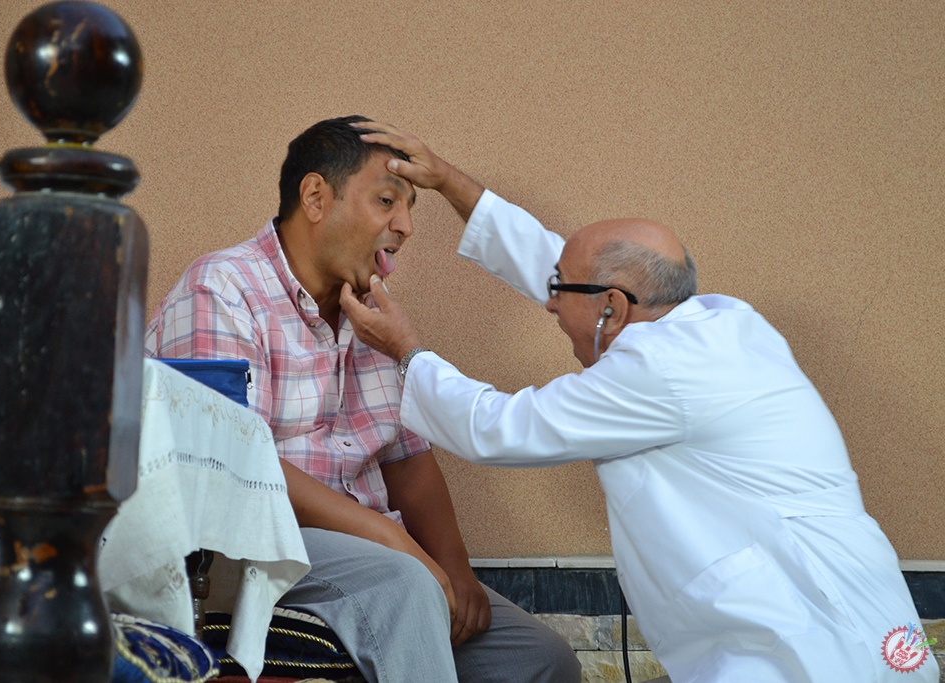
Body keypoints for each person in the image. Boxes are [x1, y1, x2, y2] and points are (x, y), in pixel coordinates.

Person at [338, 122, 939, 683]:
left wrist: (406, 351)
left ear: (613, 309)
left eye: (559, 293)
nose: (549, 303)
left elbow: (497, 429)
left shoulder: (660, 370)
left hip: (807, 637)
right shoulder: (719, 323)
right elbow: (568, 270)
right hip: (840, 610)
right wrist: (448, 181)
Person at [144, 115, 581, 683]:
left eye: (410, 208)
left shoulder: (372, 310)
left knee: (539, 659)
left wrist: (456, 569)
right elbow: (233, 463)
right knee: (406, 584)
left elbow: (408, 458)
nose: (405, 226)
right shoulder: (221, 289)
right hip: (253, 545)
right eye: (386, 201)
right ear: (316, 197)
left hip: (373, 552)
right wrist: (395, 541)